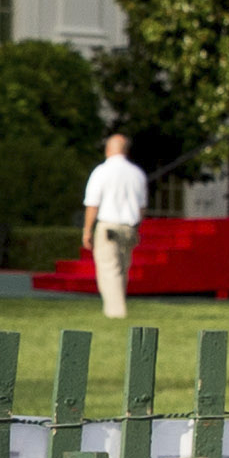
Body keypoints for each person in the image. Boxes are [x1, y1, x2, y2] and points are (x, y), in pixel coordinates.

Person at [81, 129, 152, 319]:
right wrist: (137, 226)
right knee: (122, 268)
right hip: (129, 227)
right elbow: (142, 207)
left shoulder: (102, 172)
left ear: (108, 150)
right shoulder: (137, 173)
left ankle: (116, 312)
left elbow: (93, 204)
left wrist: (87, 229)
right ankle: (116, 306)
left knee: (109, 269)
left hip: (109, 226)